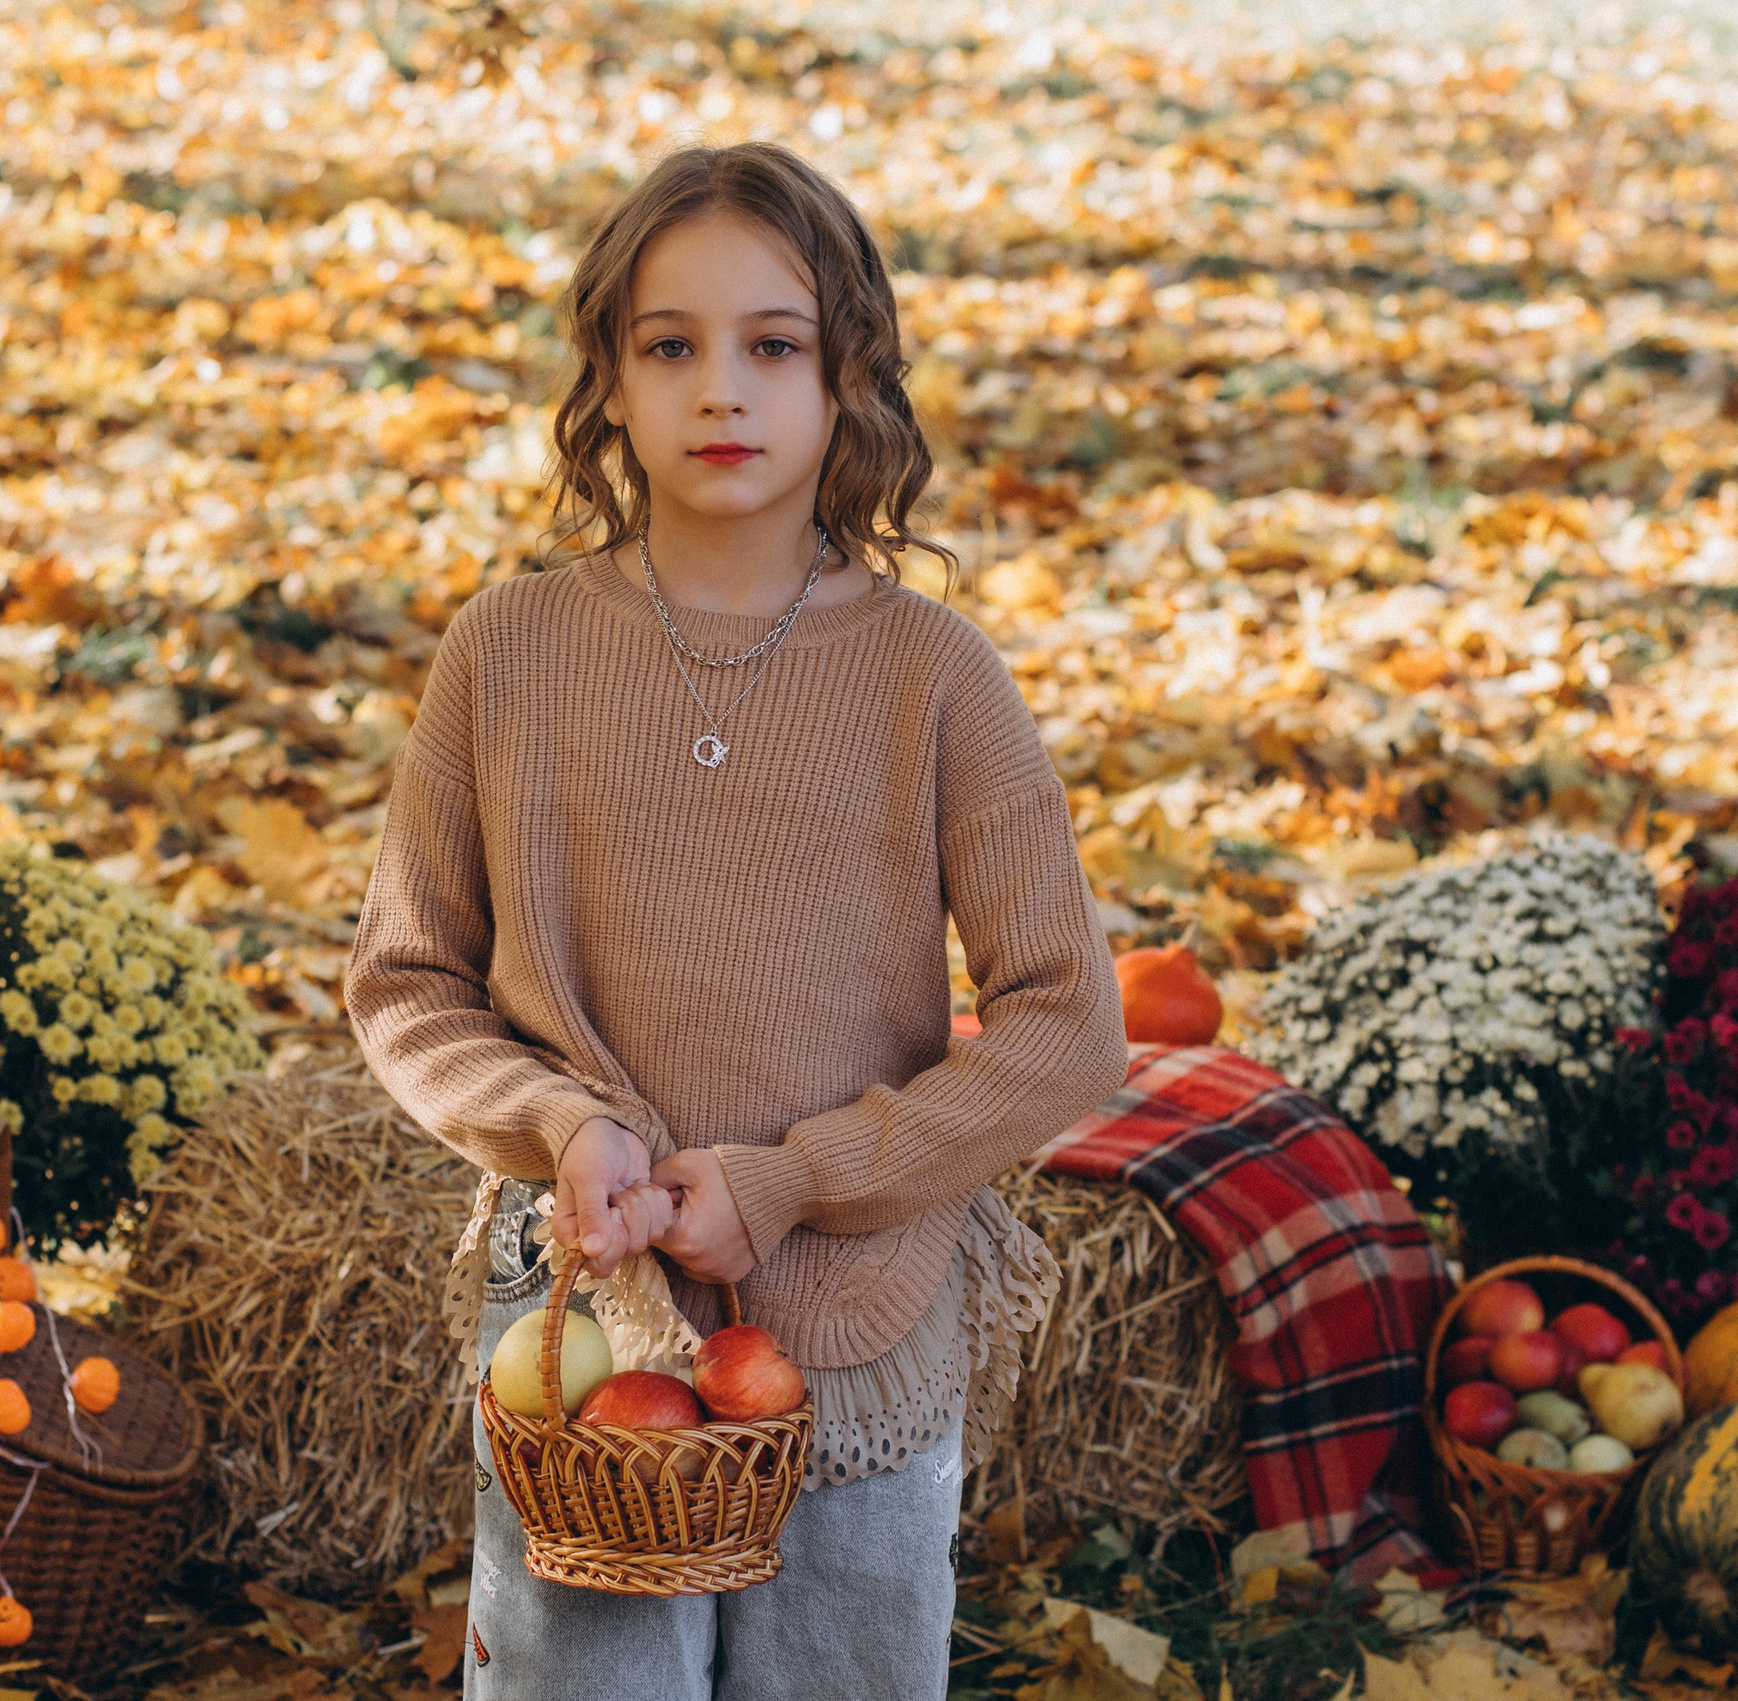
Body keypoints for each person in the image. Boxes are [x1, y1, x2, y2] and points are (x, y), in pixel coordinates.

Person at [345, 139, 1127, 1701]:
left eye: (774, 345)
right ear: (610, 383)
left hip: (856, 1320)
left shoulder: (933, 675)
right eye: (671, 346)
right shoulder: (506, 653)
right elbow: (407, 978)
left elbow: (1069, 1025)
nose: (724, 390)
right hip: (586, 1322)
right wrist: (560, 1121)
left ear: (847, 379)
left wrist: (797, 1178)